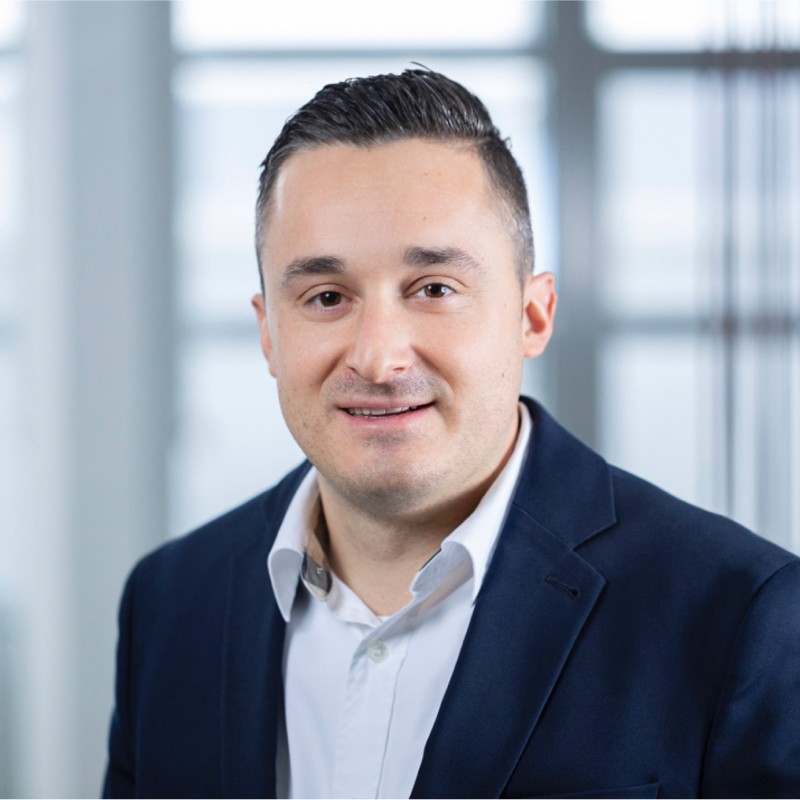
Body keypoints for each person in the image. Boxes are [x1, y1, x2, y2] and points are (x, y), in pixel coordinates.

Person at [103, 69, 800, 799]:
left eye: (434, 289)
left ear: (532, 316)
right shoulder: (170, 603)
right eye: (326, 296)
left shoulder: (739, 618)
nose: (378, 358)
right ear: (269, 333)